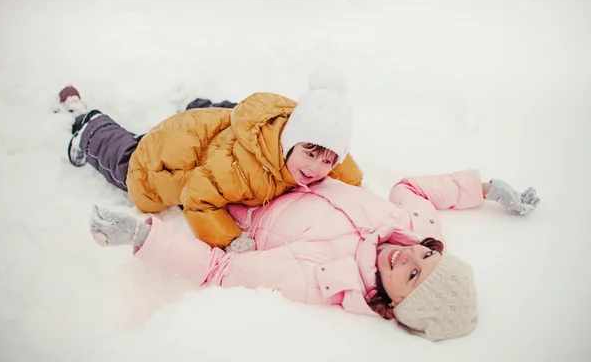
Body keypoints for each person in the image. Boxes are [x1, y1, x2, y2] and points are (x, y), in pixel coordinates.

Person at [88, 169, 540, 341]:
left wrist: (141, 236)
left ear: (393, 305)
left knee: (142, 164)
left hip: (236, 190)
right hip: (288, 159)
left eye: (413, 278)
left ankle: (88, 128)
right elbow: (414, 189)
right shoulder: (413, 229)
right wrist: (485, 190)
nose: (410, 260)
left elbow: (218, 269)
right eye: (426, 259)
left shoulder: (321, 278)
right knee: (219, 114)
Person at [57, 67, 363, 250]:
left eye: (328, 161)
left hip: (207, 129)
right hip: (163, 157)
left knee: (229, 115)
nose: (316, 168)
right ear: (289, 141)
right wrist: (231, 239)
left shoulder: (304, 138)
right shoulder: (242, 169)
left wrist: (356, 185)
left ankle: (197, 103)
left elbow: (337, 159)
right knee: (127, 161)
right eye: (310, 155)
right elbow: (197, 199)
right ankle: (89, 127)